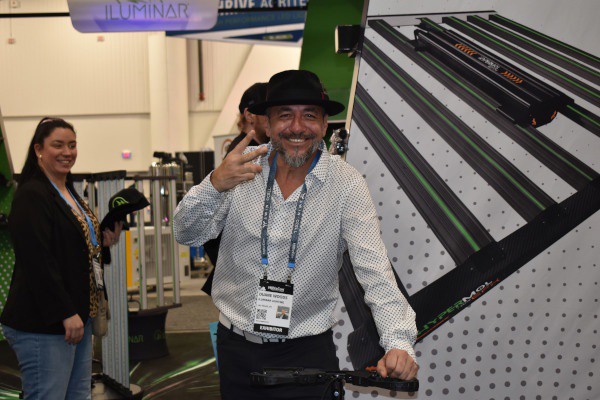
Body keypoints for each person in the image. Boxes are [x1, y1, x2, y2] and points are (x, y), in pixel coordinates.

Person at [174, 70, 418, 399]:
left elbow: (375, 270)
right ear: (267, 123)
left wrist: (398, 341)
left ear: (325, 123)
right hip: (236, 351)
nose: (298, 127)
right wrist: (214, 184)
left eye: (310, 116)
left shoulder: (346, 184)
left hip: (306, 354)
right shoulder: (240, 170)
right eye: (285, 115)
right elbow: (186, 233)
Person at [0, 117, 122, 400]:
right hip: (46, 323)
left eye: (72, 145)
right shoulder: (32, 194)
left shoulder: (68, 190)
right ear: (38, 149)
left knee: (78, 395)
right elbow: (37, 260)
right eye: (58, 145)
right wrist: (64, 312)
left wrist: (101, 240)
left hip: (77, 316)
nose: (67, 152)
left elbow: (67, 243)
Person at [201, 82, 269, 294]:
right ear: (249, 115)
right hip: (244, 274)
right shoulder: (243, 156)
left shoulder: (260, 152)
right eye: (267, 111)